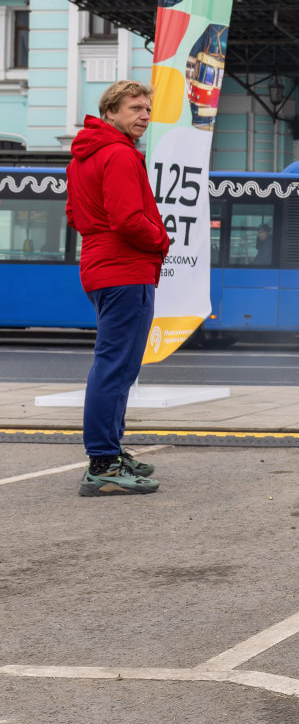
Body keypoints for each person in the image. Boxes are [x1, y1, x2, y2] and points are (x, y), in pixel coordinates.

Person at [65, 80, 171, 495]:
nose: (144, 115)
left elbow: (74, 214)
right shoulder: (120, 154)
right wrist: (161, 240)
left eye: (147, 109)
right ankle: (103, 462)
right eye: (135, 108)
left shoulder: (83, 156)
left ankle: (110, 451)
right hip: (126, 269)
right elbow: (127, 219)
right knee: (116, 367)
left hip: (99, 266)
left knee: (115, 365)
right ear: (110, 112)